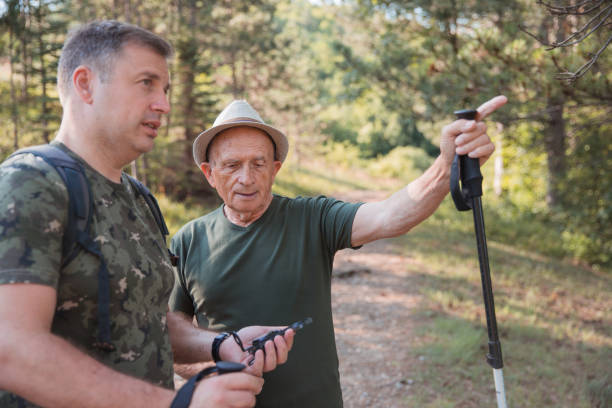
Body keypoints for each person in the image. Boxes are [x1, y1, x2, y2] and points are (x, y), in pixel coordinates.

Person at [0, 21, 294, 408]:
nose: (164, 104)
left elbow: (148, 319)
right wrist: (175, 403)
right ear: (85, 85)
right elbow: (11, 349)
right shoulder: (31, 182)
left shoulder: (138, 197)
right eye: (146, 83)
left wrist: (224, 343)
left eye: (166, 89)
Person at [167, 96, 507, 407]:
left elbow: (391, 216)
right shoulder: (188, 240)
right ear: (209, 174)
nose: (247, 177)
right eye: (231, 165)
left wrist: (447, 163)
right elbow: (169, 337)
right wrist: (215, 370)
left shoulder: (312, 218)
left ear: (276, 168)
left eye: (259, 163)